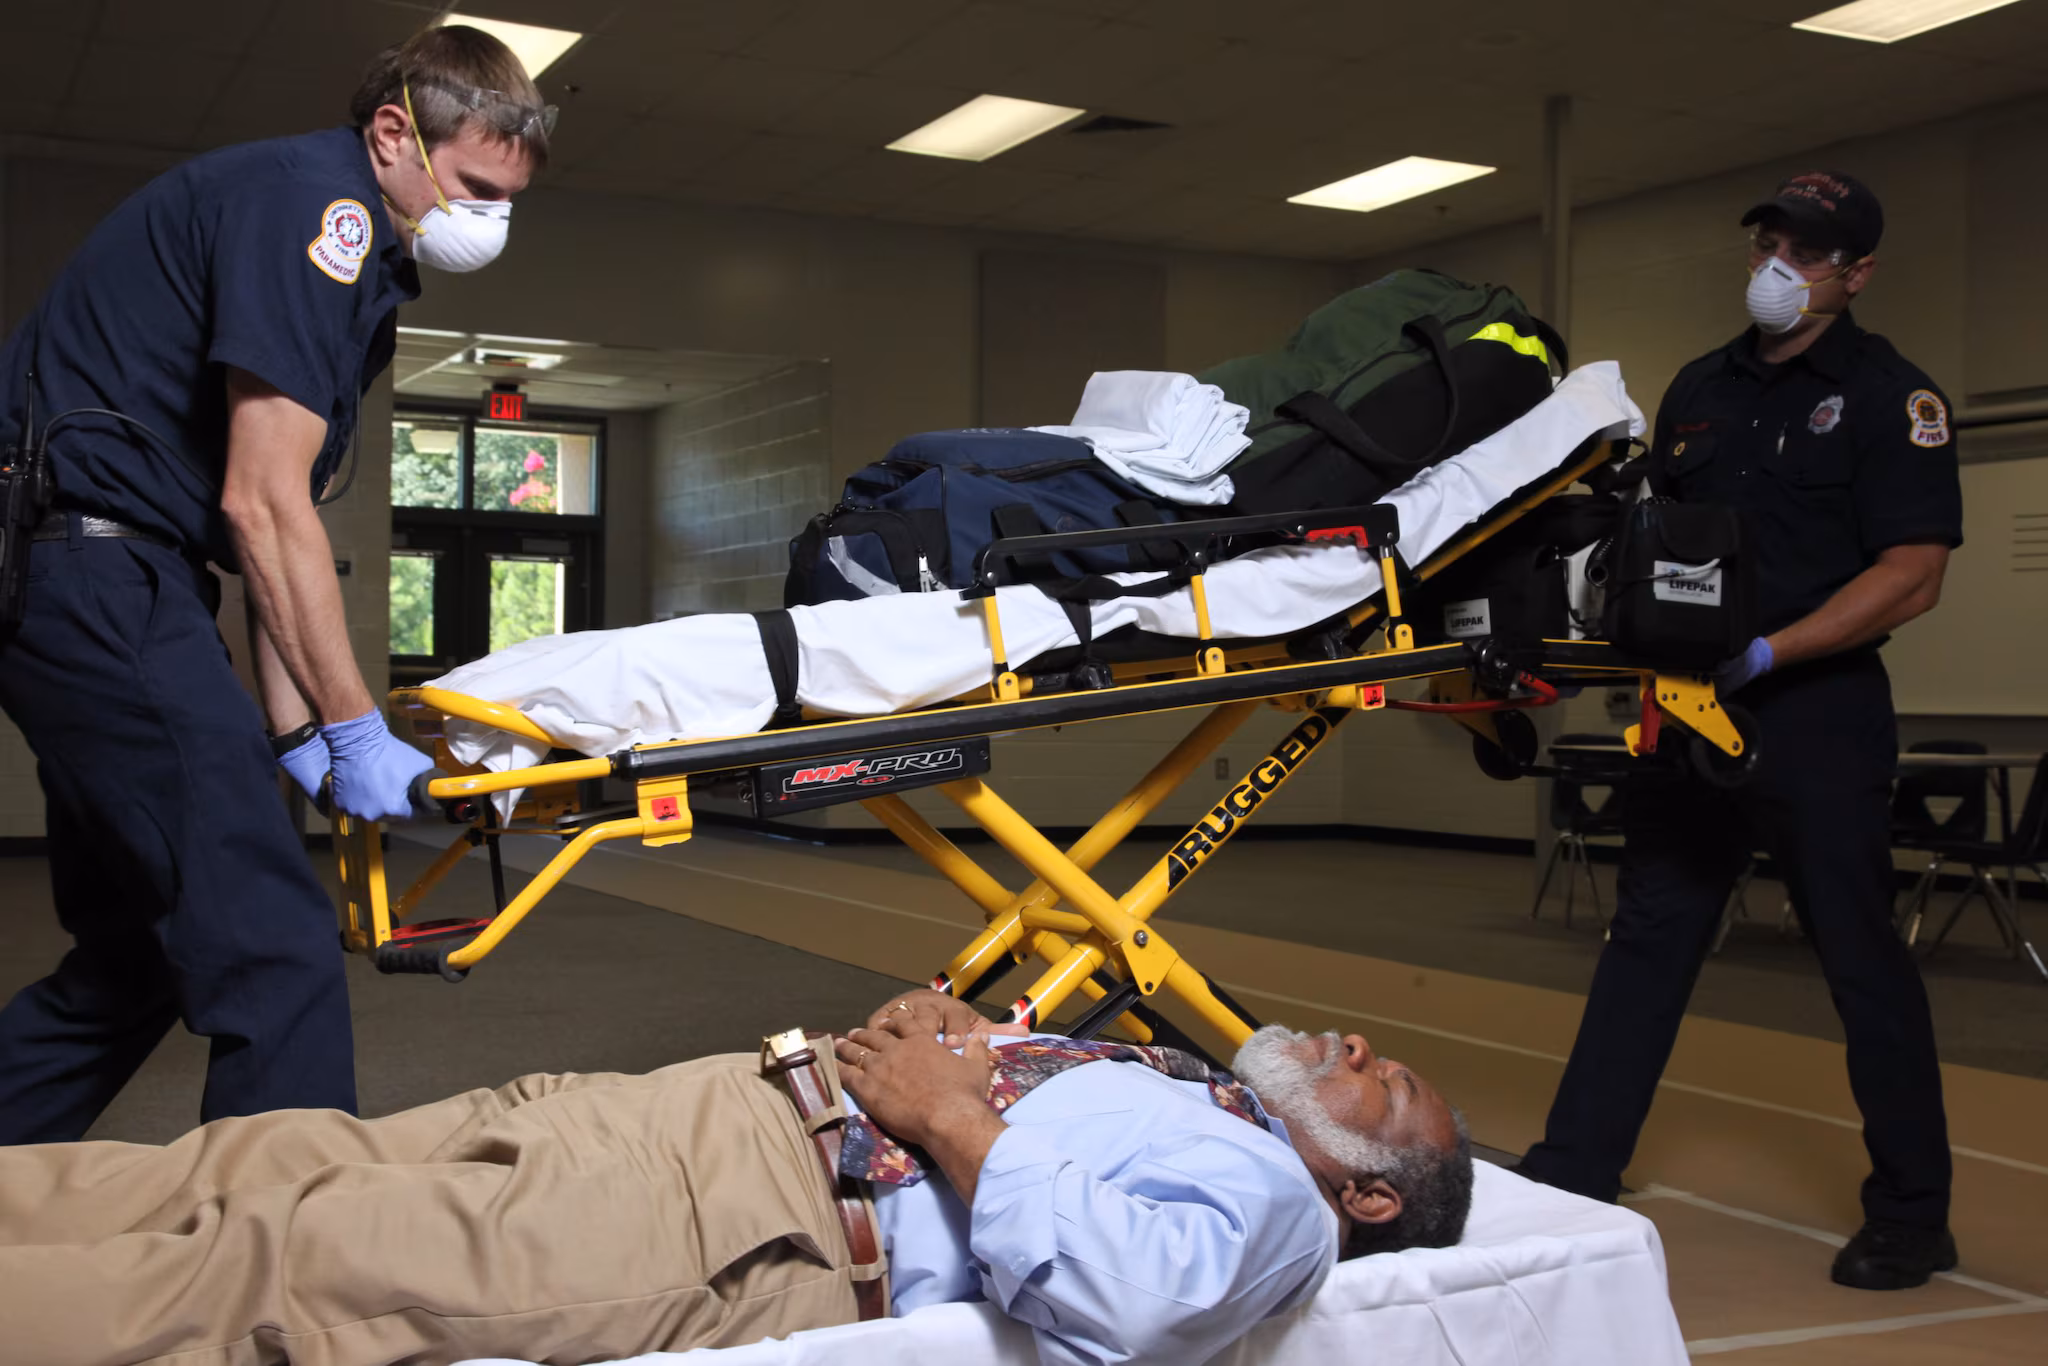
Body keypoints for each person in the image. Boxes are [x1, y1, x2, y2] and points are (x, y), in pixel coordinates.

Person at [0, 27, 553, 1144]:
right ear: (394, 133)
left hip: (106, 566)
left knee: (134, 959)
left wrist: (295, 731)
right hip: (94, 566)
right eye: (478, 188)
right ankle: (295, 1262)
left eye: (509, 198)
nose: (492, 219)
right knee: (275, 939)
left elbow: (255, 514)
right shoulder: (320, 209)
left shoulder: (356, 265)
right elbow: (263, 505)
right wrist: (353, 729)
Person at [0, 989, 1472, 1366]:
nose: (1355, 1045)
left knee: (274, 1263)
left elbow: (1141, 1306)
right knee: (265, 1157)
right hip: (722, 1104)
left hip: (743, 1219)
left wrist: (952, 1110)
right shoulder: (1188, 1092)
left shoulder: (1279, 1204)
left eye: (1381, 1082)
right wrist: (955, 1039)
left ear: (1372, 1193)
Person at [1517, 172, 1963, 1290]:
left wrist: (1771, 650)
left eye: (1804, 250)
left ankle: (1912, 1213)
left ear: (1853, 273)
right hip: (1684, 709)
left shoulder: (1886, 396)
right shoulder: (1698, 388)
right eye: (1768, 239)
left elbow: (1911, 576)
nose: (1776, 264)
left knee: (1860, 961)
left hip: (1814, 713)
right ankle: (1574, 1169)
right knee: (1646, 939)